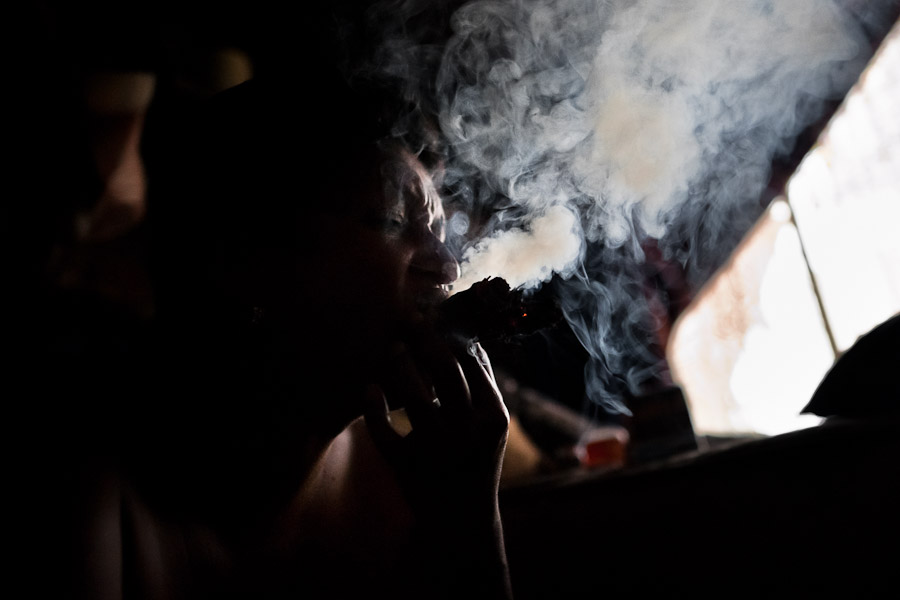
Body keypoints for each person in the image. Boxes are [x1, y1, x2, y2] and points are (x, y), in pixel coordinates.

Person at [55, 12, 514, 596]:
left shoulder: (419, 472)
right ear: (246, 261)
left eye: (439, 234)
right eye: (394, 222)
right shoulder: (98, 486)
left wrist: (472, 525)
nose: (447, 268)